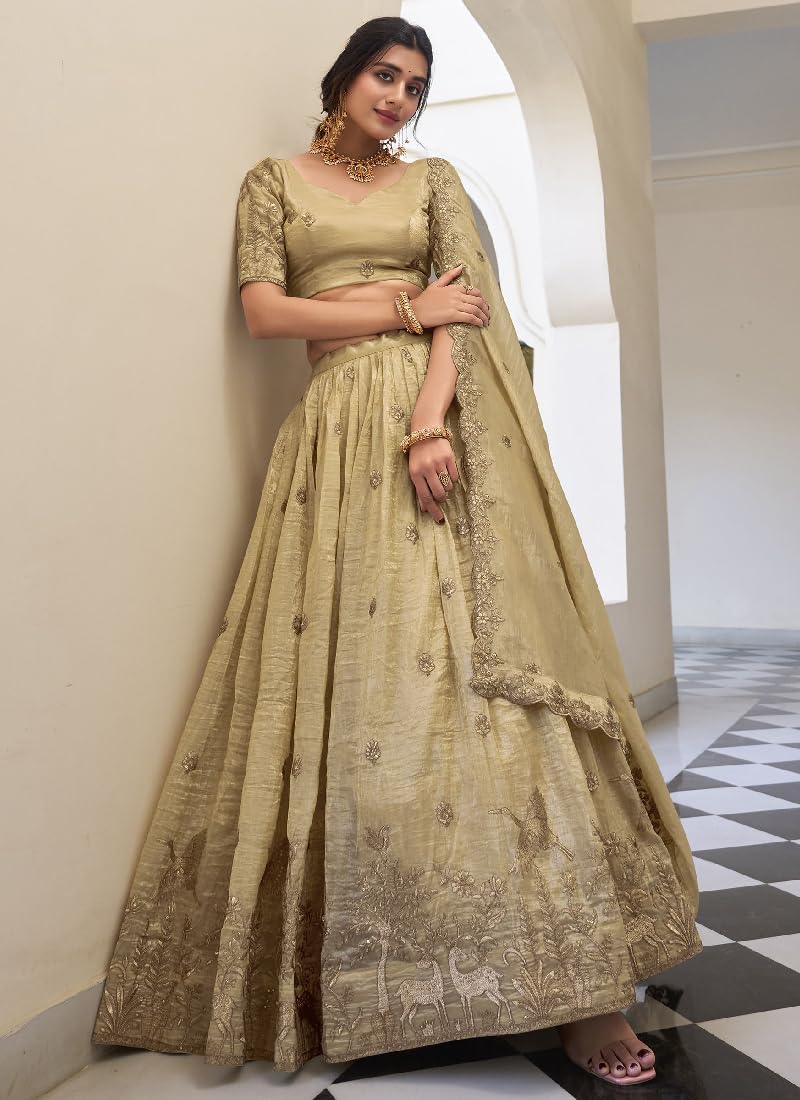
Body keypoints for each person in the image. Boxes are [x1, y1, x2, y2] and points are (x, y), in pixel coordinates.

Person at [91, 15, 702, 1088]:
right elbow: (266, 313)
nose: (399, 97)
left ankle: (581, 990)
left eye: (416, 85)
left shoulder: (435, 183)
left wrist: (427, 418)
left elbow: (465, 317)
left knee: (487, 676)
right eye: (385, 74)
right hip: (328, 444)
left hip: (433, 431)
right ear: (343, 77)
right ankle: (359, 973)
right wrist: (402, 302)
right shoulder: (272, 183)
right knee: (366, 697)